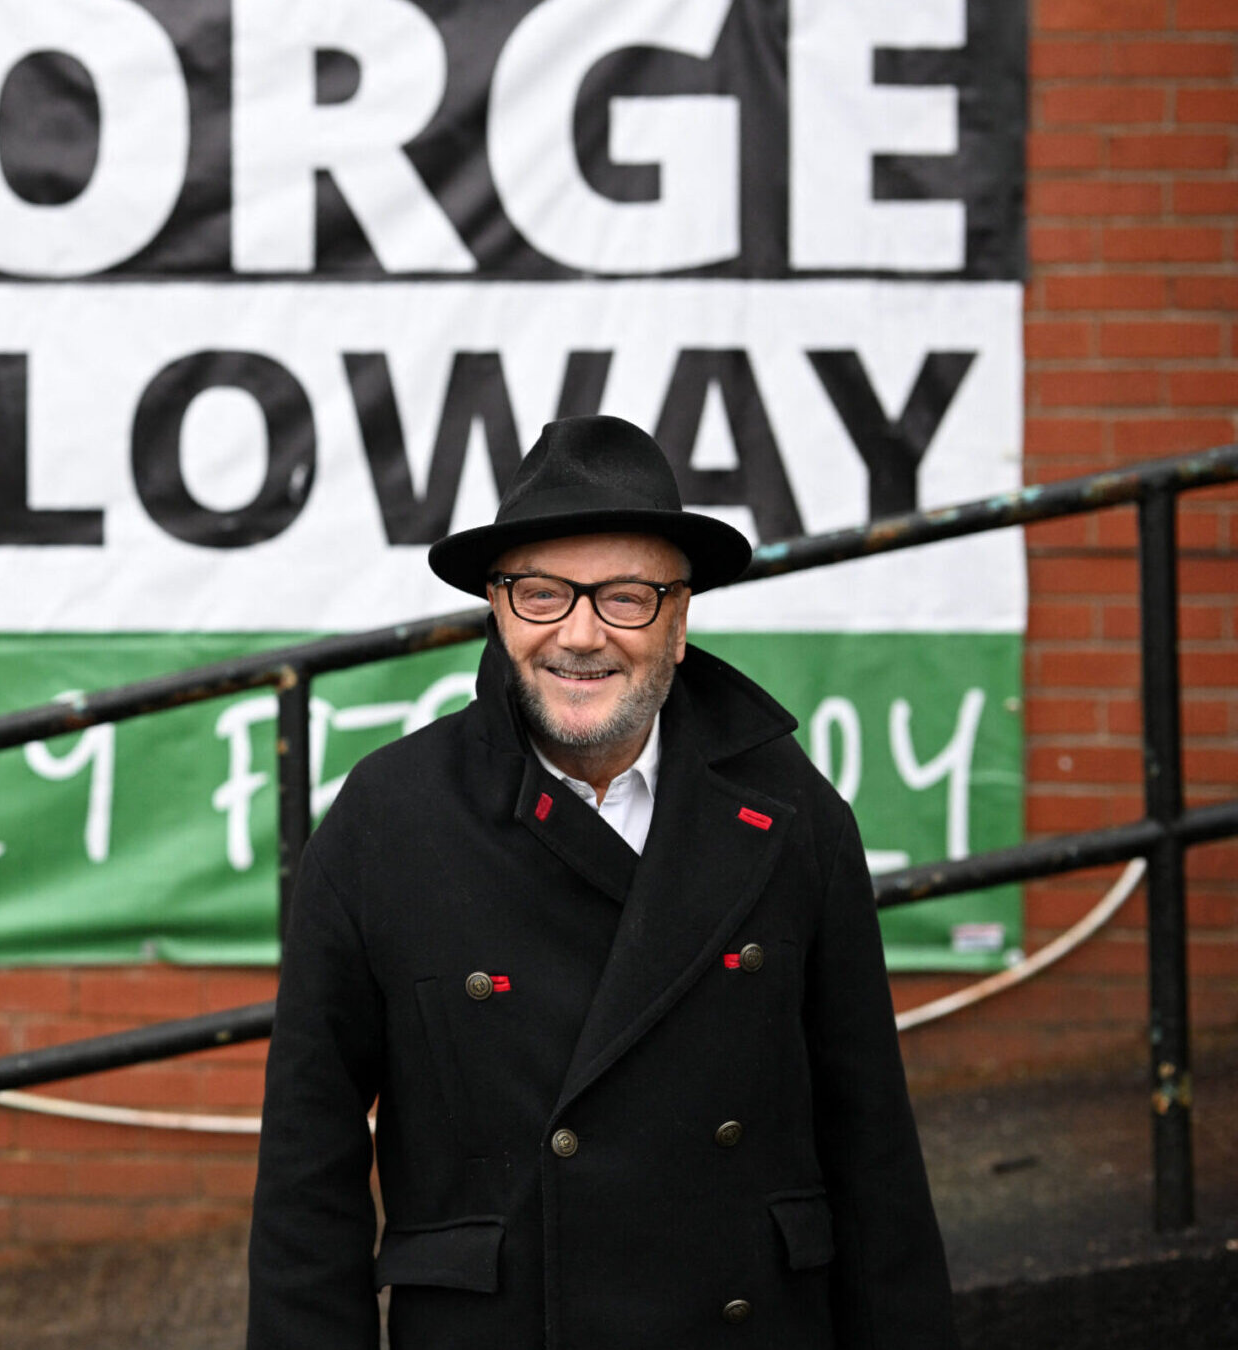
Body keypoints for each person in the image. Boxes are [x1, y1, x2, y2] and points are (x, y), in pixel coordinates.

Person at [246, 415, 958, 1349]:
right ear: (498, 608)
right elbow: (309, 1175)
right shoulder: (387, 820)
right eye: (541, 594)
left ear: (680, 611)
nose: (579, 634)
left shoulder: (793, 816)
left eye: (624, 596)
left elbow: (873, 1156)